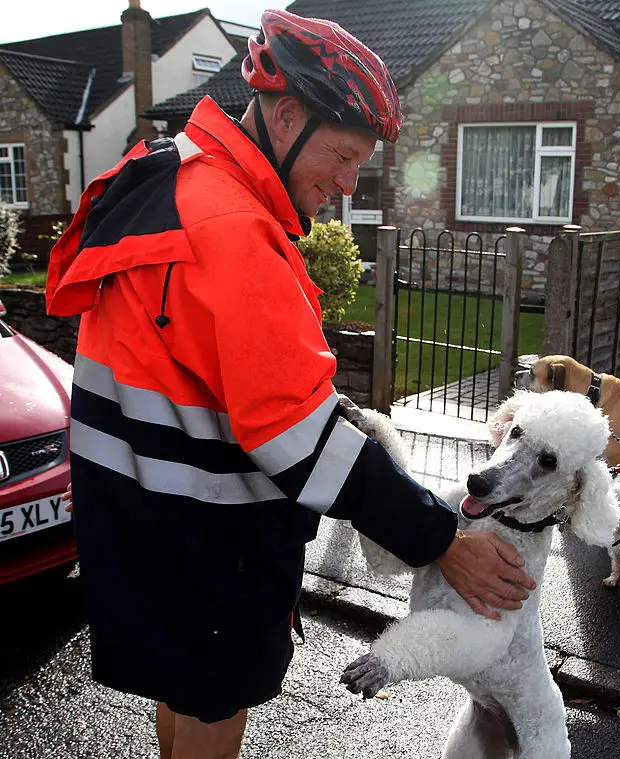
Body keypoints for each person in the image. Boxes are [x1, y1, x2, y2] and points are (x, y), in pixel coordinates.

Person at [45, 10, 535, 758]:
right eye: (342, 156)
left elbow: (201, 370)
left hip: (140, 521)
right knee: (213, 709)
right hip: (206, 542)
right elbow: (297, 438)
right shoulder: (235, 230)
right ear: (285, 115)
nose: (346, 185)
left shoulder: (174, 174)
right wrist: (444, 541)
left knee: (185, 697)